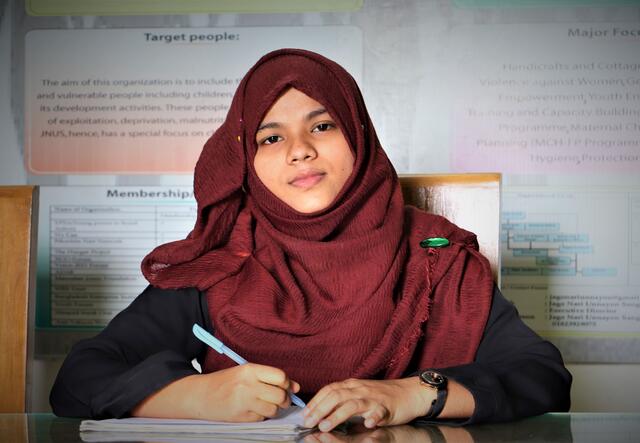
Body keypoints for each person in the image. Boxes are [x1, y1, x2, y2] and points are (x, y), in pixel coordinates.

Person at [50, 48, 571, 432]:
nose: (299, 151)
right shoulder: (224, 259)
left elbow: (542, 375)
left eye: (322, 126)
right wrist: (193, 395)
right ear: (246, 162)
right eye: (271, 137)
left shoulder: (436, 256)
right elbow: (79, 378)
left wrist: (409, 394)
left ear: (359, 138)